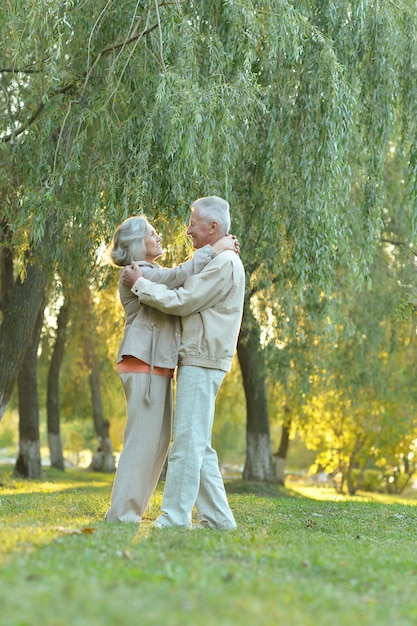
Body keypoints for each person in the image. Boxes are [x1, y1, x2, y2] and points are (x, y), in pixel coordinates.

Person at [121, 196, 245, 530]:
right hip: (201, 357)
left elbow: (183, 300)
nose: (187, 230)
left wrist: (141, 286)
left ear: (213, 227)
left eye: (193, 224)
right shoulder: (219, 260)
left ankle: (174, 517)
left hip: (202, 358)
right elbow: (182, 279)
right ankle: (219, 520)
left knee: (187, 444)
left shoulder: (224, 264)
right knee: (199, 445)